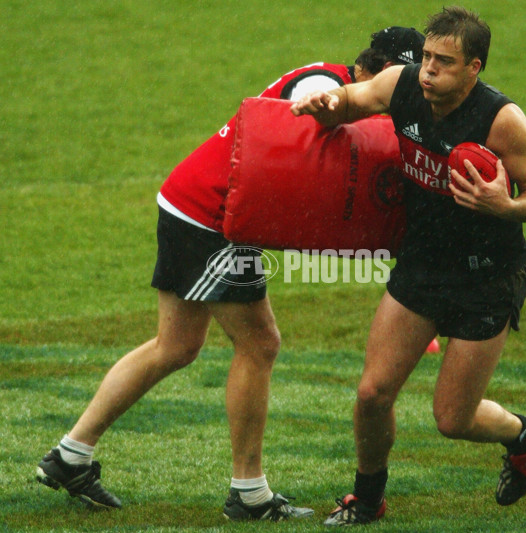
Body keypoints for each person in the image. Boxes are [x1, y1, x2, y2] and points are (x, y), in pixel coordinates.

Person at [35, 27, 426, 522]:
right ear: (377, 70)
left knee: (174, 346)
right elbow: (311, 110)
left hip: (190, 203)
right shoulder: (326, 84)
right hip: (212, 219)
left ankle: (69, 456)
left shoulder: (336, 78)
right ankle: (249, 493)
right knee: (259, 343)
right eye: (403, 82)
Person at [291, 6, 526, 527]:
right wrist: (327, 102)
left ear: (474, 68)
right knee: (371, 393)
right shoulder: (403, 84)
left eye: (445, 62)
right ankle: (368, 499)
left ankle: (524, 433)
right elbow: (349, 103)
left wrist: (505, 207)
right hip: (423, 262)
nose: (429, 70)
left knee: (452, 419)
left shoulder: (502, 119)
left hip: (487, 275)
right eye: (427, 57)